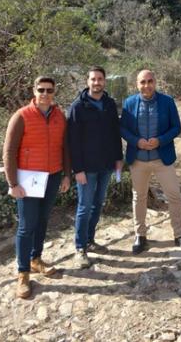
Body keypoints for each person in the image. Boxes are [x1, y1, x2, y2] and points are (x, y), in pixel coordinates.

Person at [3, 76, 71, 299]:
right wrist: (13, 183)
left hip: (52, 177)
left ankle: (36, 259)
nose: (45, 93)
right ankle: (22, 273)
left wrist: (66, 175)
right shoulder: (21, 116)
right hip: (28, 179)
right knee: (26, 225)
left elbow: (65, 147)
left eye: (49, 90)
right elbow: (9, 152)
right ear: (34, 91)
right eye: (41, 89)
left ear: (54, 92)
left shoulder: (60, 116)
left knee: (42, 220)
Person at [120, 70, 181, 254]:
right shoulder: (129, 103)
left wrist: (160, 140)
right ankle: (140, 235)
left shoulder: (167, 101)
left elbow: (176, 127)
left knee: (174, 195)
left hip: (163, 159)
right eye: (143, 82)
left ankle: (179, 235)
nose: (147, 85)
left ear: (155, 82)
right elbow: (123, 129)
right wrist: (136, 141)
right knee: (139, 197)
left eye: (150, 81)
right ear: (137, 84)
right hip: (138, 159)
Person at [67, 66, 123, 268]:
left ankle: (90, 240)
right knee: (84, 207)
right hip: (87, 168)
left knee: (98, 204)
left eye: (100, 79)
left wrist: (118, 158)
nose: (97, 82)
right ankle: (80, 248)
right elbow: (72, 141)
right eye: (93, 79)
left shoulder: (109, 104)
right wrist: (77, 169)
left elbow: (115, 134)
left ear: (104, 81)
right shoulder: (77, 107)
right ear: (87, 81)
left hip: (107, 165)